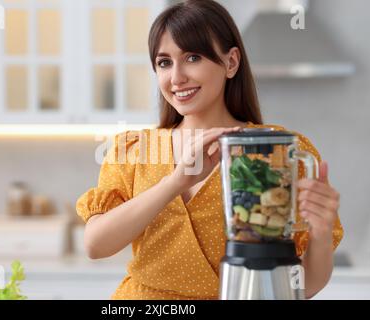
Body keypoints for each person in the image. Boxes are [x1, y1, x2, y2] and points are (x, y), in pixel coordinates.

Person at [76, 0, 343, 300]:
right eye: (164, 62)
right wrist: (176, 182)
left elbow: (302, 287)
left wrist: (320, 234)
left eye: (192, 57)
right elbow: (95, 245)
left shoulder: (273, 152)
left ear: (231, 63)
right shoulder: (135, 150)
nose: (176, 77)